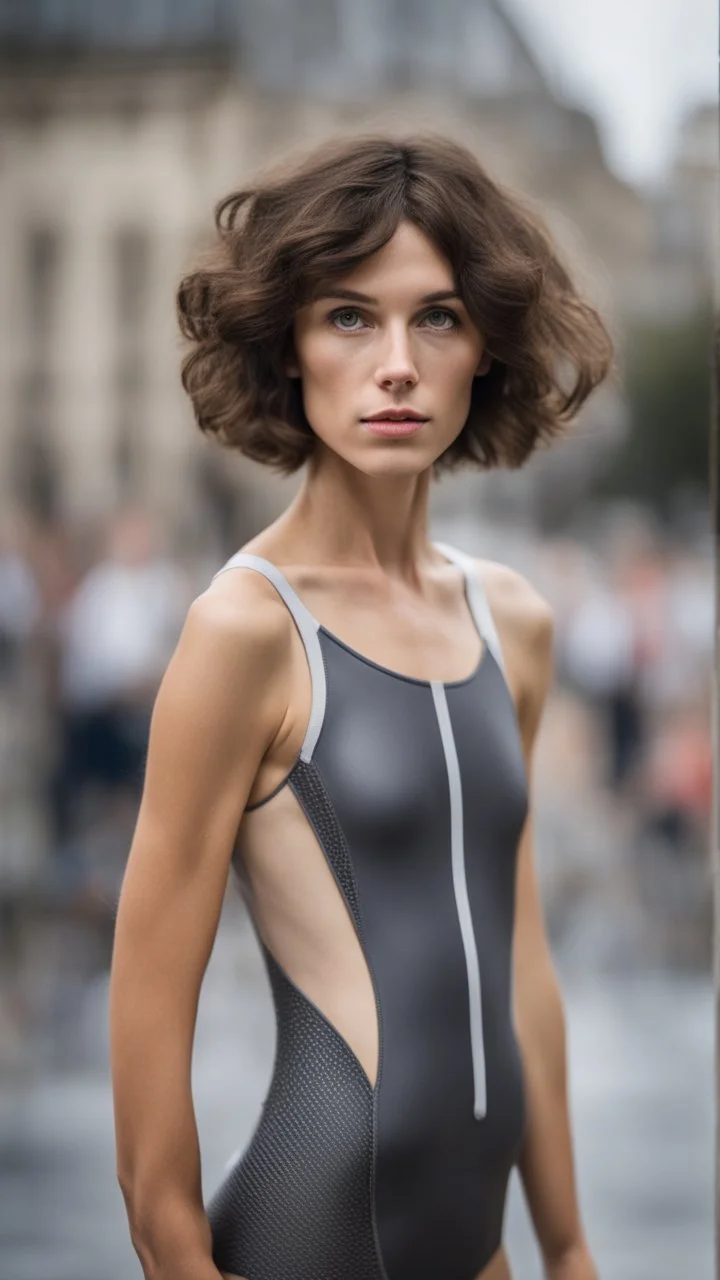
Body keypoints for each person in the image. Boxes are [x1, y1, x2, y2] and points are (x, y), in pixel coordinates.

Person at [109, 133, 613, 1280]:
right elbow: (146, 1030)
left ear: (486, 345)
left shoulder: (513, 622)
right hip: (309, 1246)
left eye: (436, 316)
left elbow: (520, 966)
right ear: (289, 343)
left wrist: (571, 1245)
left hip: (478, 1250)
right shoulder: (245, 632)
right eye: (350, 316)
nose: (397, 363)